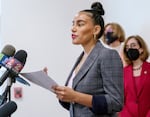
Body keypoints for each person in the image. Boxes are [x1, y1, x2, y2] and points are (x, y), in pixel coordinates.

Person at [52, 2, 124, 117]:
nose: (73, 29)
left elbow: (116, 102)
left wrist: (75, 96)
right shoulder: (81, 58)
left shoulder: (108, 55)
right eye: (73, 24)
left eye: (80, 24)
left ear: (95, 30)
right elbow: (76, 106)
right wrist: (62, 95)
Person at [119, 35, 150, 117]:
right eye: (127, 47)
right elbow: (120, 100)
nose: (130, 49)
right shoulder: (122, 72)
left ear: (141, 49)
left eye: (133, 45)